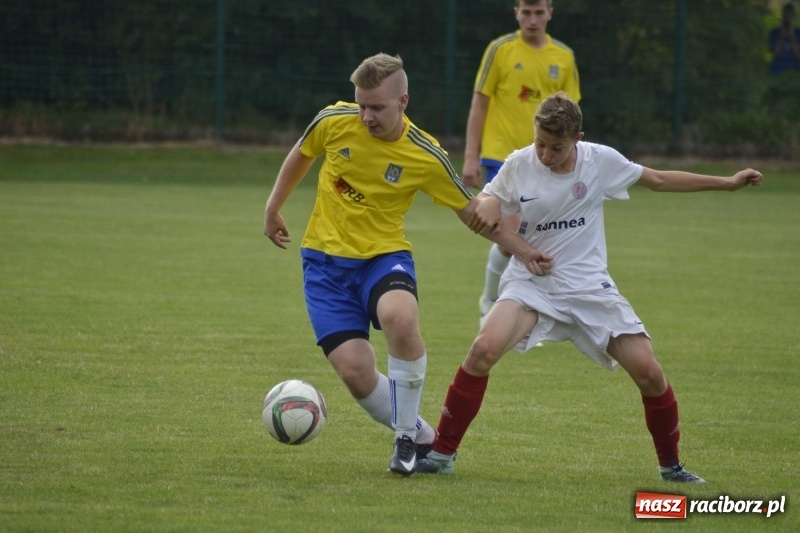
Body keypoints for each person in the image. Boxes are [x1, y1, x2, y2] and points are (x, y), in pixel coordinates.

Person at [415, 92, 764, 483]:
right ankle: (442, 453)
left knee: (649, 372)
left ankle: (671, 466)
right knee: (483, 349)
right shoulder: (518, 164)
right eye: (540, 144)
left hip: (588, 286)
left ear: (578, 138)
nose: (546, 155)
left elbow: (660, 180)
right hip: (532, 284)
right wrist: (488, 204)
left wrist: (728, 183)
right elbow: (485, 206)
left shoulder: (601, 161)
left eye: (557, 148)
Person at [263, 53, 550, 476]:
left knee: (399, 317)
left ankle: (401, 440)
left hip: (383, 257)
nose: (366, 116)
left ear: (403, 102)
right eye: (361, 105)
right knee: (357, 374)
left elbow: (473, 213)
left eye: (377, 107)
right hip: (324, 266)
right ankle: (423, 436)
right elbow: (302, 153)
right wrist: (273, 207)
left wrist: (523, 251)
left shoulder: (425, 154)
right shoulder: (332, 120)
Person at [463, 0, 581, 324]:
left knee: (531, 238)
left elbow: (571, 116)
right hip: (501, 156)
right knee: (510, 234)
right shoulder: (499, 50)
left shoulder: (564, 57)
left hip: (546, 160)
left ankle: (525, 309)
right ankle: (491, 303)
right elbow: (479, 103)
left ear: (550, 13)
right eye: (526, 12)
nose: (532, 19)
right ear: (516, 12)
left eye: (539, 13)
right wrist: (471, 156)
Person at [769, 2, 800, 75]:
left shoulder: (798, 33)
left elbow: (797, 55)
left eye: (790, 14)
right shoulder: (774, 32)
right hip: (777, 70)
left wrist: (792, 37)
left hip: (794, 70)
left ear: (794, 16)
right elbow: (775, 54)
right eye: (786, 13)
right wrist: (781, 36)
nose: (788, 16)